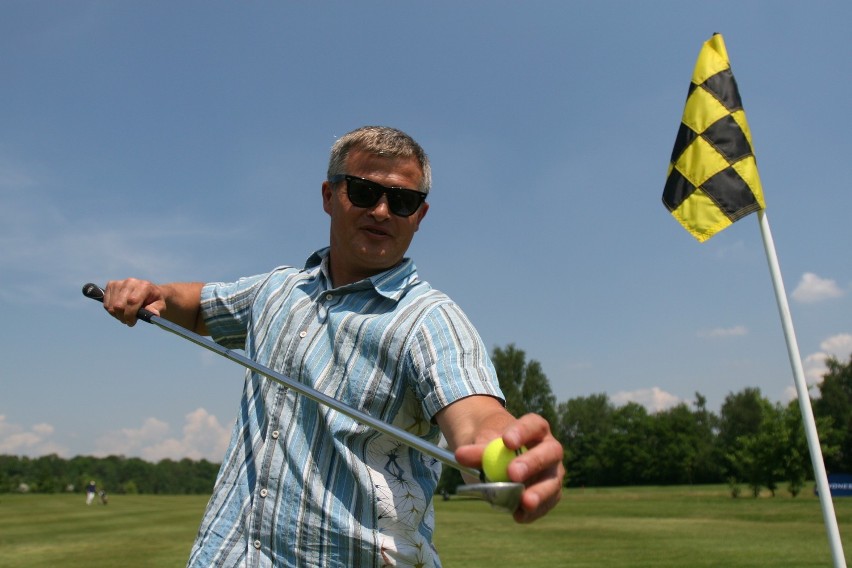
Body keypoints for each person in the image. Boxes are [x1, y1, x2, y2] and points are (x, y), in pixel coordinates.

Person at [102, 126, 565, 567]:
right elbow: (201, 308)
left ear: (419, 216)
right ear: (329, 196)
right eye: (364, 192)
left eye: (403, 201)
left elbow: (477, 418)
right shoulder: (277, 290)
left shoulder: (431, 319)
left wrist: (507, 451)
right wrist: (155, 293)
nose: (382, 211)